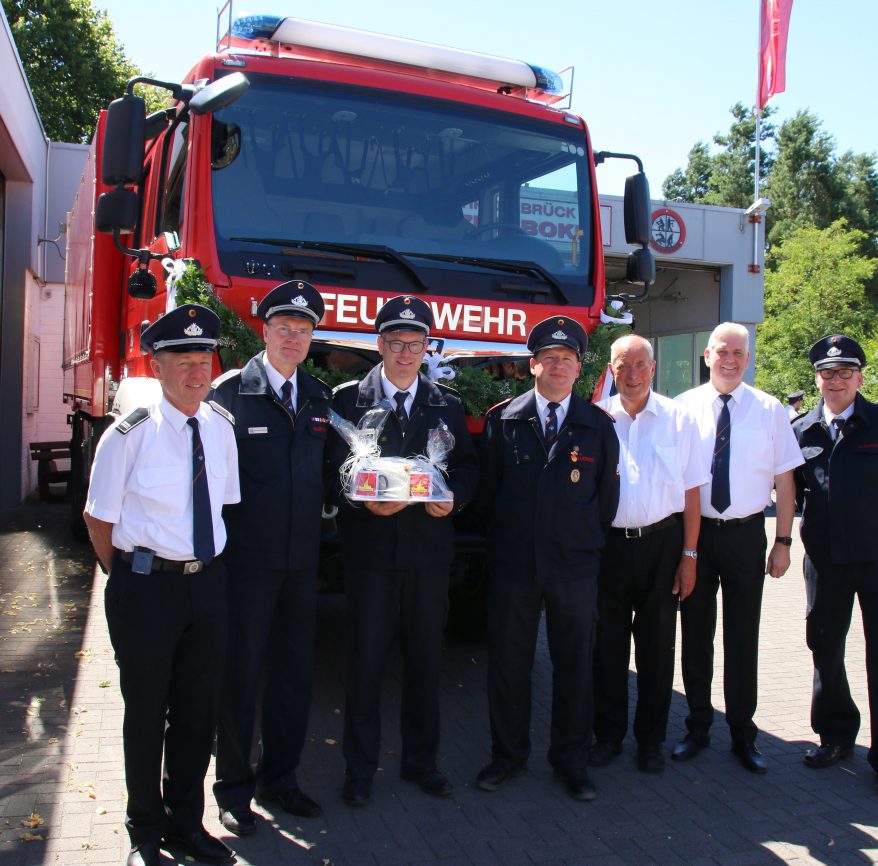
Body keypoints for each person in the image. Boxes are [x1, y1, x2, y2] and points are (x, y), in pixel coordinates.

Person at [83, 305, 240, 866]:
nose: (197, 372)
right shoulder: (129, 435)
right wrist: (127, 575)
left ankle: (185, 826)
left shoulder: (221, 428)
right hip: (146, 590)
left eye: (205, 360)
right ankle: (143, 830)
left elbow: (221, 509)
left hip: (207, 587)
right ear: (157, 364)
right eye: (183, 361)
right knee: (146, 713)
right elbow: (98, 519)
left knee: (198, 714)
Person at [330, 295, 477, 808]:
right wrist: (363, 503)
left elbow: (468, 467)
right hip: (370, 556)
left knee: (424, 662)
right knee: (366, 664)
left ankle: (421, 763)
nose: (406, 353)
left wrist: (454, 499)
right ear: (380, 345)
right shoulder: (348, 400)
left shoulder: (446, 404)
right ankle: (359, 769)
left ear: (427, 348)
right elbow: (333, 475)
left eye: (416, 344)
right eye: (396, 343)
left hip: (427, 557)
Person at [207, 280, 340, 834]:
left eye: (304, 330)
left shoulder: (318, 398)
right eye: (284, 328)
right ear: (264, 330)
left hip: (301, 563)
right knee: (238, 677)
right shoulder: (230, 393)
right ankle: (233, 790)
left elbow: (338, 474)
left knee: (292, 675)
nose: (294, 337)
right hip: (244, 564)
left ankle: (280, 780)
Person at [475, 316, 619, 801]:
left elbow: (606, 501)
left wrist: (574, 543)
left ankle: (571, 761)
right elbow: (489, 498)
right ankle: (507, 756)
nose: (559, 366)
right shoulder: (502, 420)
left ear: (579, 368)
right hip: (515, 566)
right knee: (509, 665)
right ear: (532, 365)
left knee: (575, 667)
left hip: (573, 569)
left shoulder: (597, 425)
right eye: (550, 358)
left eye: (568, 359)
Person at [792, 334, 878, 803]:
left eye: (845, 372)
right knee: (825, 648)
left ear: (860, 377)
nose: (836, 380)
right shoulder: (802, 430)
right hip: (826, 563)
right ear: (817, 379)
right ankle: (835, 735)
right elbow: (792, 494)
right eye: (827, 373)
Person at [672, 322, 803, 774]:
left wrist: (783, 542)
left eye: (739, 354)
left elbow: (786, 481)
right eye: (722, 352)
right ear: (707, 355)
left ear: (748, 359)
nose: (730, 360)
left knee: (743, 638)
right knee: (695, 635)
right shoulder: (683, 408)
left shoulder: (770, 411)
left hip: (747, 534)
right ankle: (697, 727)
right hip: (697, 537)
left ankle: (744, 735)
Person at [590, 335, 707, 774]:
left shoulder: (679, 420)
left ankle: (651, 740)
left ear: (653, 369)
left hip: (664, 545)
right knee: (607, 648)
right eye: (624, 366)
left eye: (641, 365)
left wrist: (690, 555)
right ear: (612, 370)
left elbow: (693, 492)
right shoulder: (597, 418)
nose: (633, 374)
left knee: (657, 649)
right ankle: (607, 736)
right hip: (609, 549)